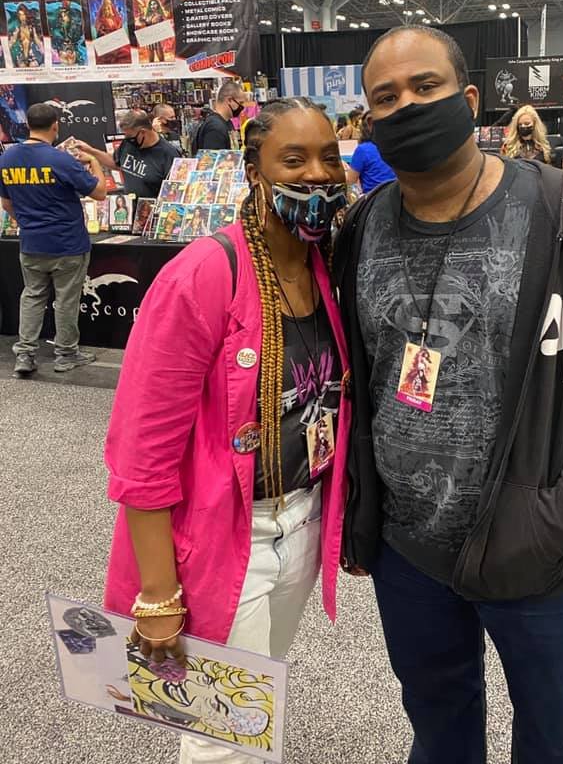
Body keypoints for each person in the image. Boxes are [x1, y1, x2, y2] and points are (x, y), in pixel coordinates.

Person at [334, 26, 563, 764]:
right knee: (438, 725)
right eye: (385, 98)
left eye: (425, 87)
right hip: (408, 551)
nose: (406, 106)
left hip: (540, 548)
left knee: (561, 736)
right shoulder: (361, 228)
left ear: (468, 101)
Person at [104, 97, 350, 764]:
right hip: (226, 537)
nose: (318, 175)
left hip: (302, 520)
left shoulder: (324, 267)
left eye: (329, 157)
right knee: (224, 737)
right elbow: (142, 452)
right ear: (253, 171)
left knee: (254, 702)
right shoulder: (205, 274)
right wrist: (158, 595)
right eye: (294, 159)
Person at [0, 102, 107, 376]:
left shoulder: (7, 158)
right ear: (55, 125)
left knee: (32, 296)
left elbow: (6, 202)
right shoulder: (61, 159)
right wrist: (95, 162)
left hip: (32, 243)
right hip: (67, 243)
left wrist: (27, 222)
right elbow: (99, 193)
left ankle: (25, 354)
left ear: (27, 125)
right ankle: (66, 354)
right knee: (66, 300)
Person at [76, 109, 180, 200]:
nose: (127, 138)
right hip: (130, 208)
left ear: (143, 132)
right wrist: (90, 150)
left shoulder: (169, 154)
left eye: (130, 135)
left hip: (152, 212)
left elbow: (175, 191)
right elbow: (116, 162)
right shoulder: (129, 143)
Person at [346, 112, 396, 193]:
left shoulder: (362, 150)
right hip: (397, 196)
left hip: (374, 197)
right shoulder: (395, 146)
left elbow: (350, 181)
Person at [192, 81, 244, 152]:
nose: (242, 107)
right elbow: (212, 157)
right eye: (240, 103)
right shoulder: (215, 128)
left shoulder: (227, 122)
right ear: (230, 100)